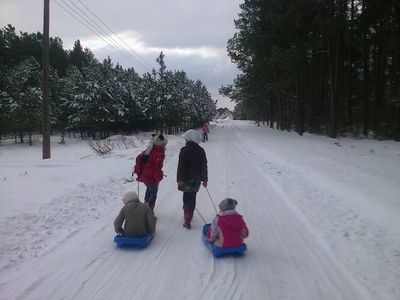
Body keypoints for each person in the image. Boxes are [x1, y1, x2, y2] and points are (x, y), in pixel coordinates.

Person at [177, 129, 208, 229]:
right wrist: (205, 179)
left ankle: (187, 216)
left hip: (185, 179)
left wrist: (180, 179)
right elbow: (204, 165)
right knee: (192, 197)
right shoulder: (201, 150)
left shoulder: (184, 150)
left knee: (186, 196)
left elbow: (181, 166)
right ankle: (188, 216)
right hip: (196, 179)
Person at [135, 133, 167, 212]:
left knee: (149, 191)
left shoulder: (150, 149)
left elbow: (140, 159)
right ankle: (149, 212)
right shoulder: (160, 153)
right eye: (164, 144)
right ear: (162, 143)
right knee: (153, 194)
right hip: (152, 177)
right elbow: (157, 167)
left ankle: (145, 208)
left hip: (145, 176)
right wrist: (158, 178)